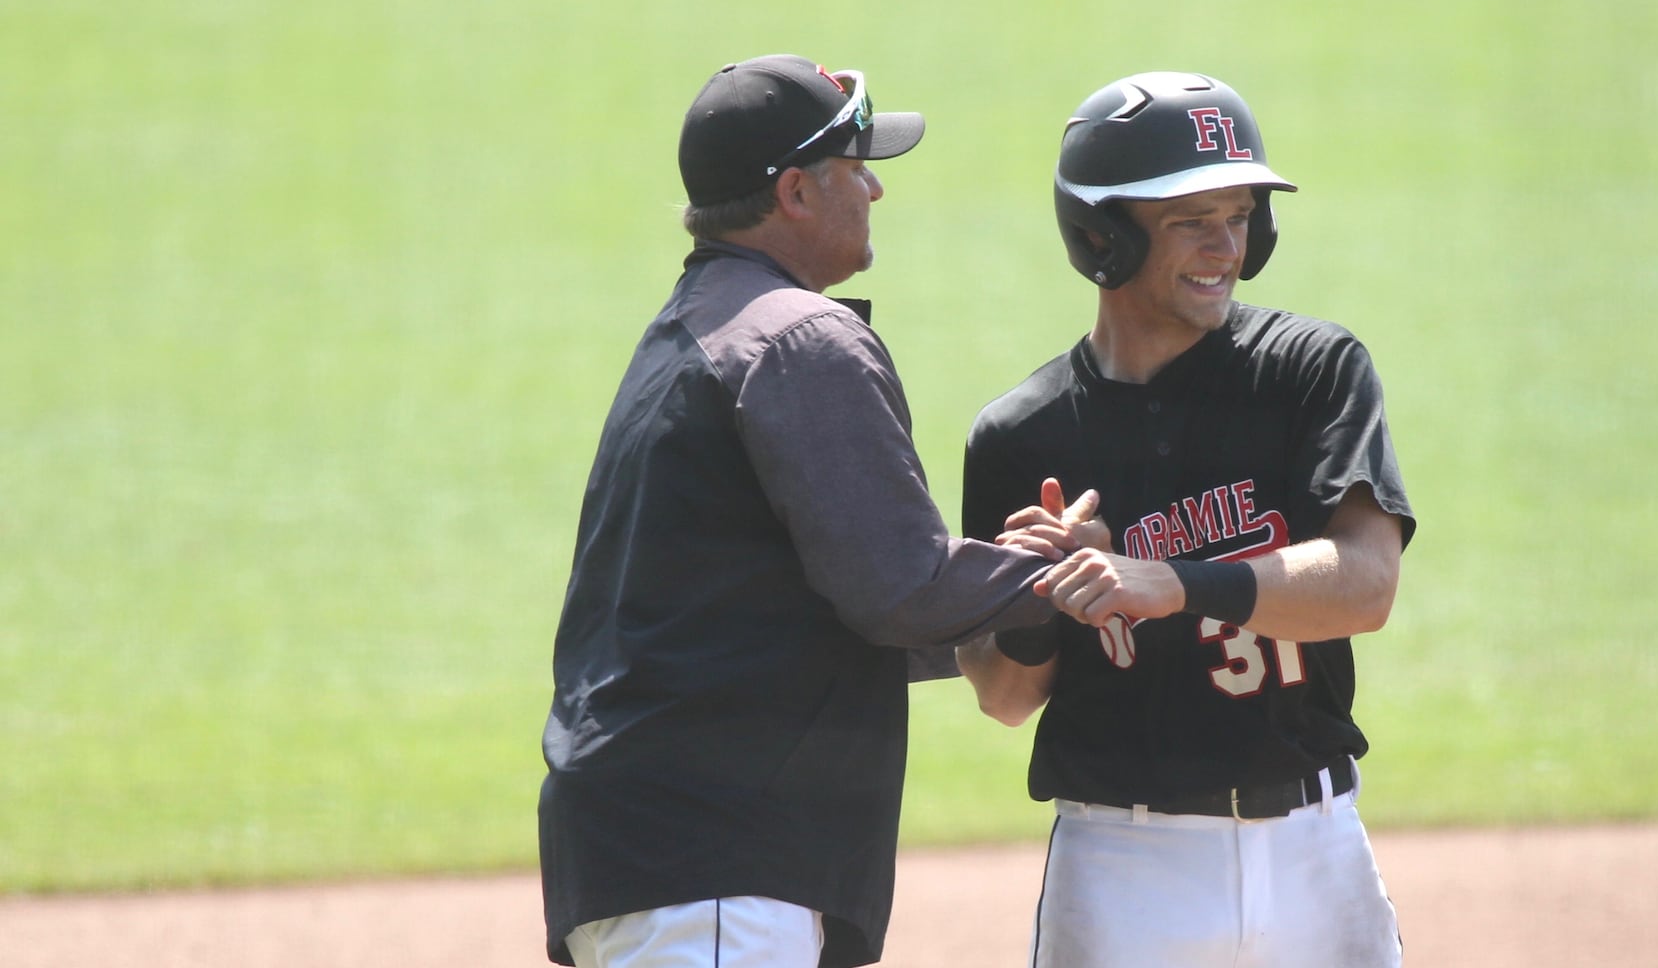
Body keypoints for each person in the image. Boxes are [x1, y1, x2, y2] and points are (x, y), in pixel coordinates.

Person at [536, 54, 1114, 968]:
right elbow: (898, 588)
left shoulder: (696, 325)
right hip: (717, 856)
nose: (876, 188)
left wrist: (997, 581)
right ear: (796, 192)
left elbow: (824, 591)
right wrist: (1075, 576)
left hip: (653, 851)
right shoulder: (798, 337)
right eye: (855, 166)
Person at [955, 71, 1418, 967]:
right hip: (1125, 863)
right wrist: (1045, 593)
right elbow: (1005, 697)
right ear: (1104, 237)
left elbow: (1366, 586)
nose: (1224, 248)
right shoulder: (1022, 435)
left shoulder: (1308, 372)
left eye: (1239, 215)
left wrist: (1166, 583)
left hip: (1314, 849)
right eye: (1187, 221)